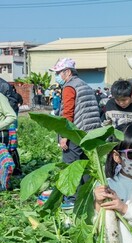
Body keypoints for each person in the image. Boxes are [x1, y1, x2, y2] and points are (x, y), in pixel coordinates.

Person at [49, 57, 102, 206]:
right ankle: (86, 199)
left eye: (58, 72)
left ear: (67, 72)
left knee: (70, 168)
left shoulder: (69, 87)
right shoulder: (84, 85)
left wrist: (64, 136)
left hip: (75, 133)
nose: (57, 76)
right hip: (90, 133)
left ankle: (71, 201)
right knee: (85, 167)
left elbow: (68, 113)